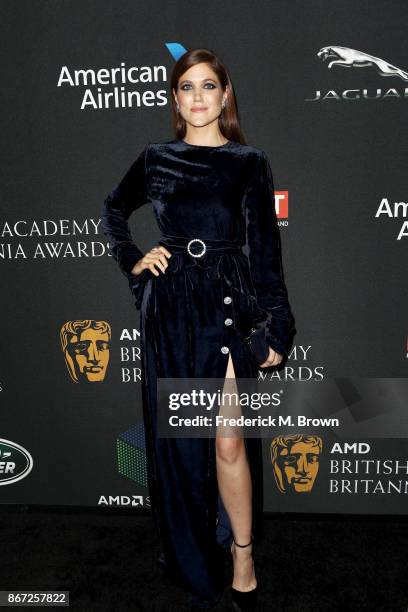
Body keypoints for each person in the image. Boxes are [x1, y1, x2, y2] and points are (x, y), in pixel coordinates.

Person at [100, 48, 296, 611]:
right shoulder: (156, 158)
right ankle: (191, 558)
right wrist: (136, 260)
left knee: (229, 442)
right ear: (175, 99)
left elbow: (267, 254)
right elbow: (114, 208)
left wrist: (278, 326)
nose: (198, 98)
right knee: (183, 447)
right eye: (186, 87)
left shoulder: (249, 163)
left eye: (208, 86)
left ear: (225, 94)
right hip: (172, 310)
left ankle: (241, 551)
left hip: (229, 306)